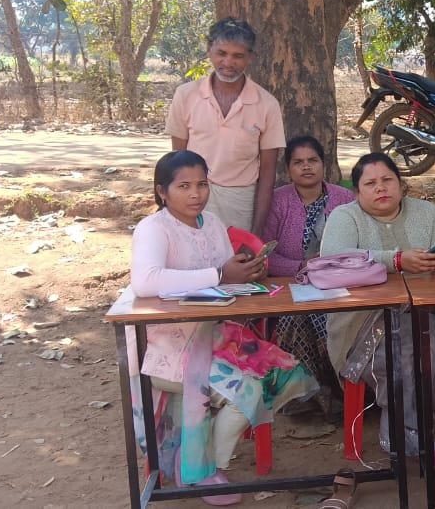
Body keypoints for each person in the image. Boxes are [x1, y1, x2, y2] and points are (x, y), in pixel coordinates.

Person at [128, 150, 317, 506]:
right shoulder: (153, 228)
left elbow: (224, 280)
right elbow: (145, 281)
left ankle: (199, 462)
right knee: (248, 389)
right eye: (184, 186)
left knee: (279, 372)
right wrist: (219, 274)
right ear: (161, 191)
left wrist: (247, 272)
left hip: (215, 335)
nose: (196, 194)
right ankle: (203, 471)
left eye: (202, 184)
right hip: (167, 347)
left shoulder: (211, 222)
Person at [319, 153, 435, 456]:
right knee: (408, 349)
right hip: (366, 321)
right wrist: (395, 260)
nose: (380, 188)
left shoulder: (424, 211)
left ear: (400, 184)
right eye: (370, 183)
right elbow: (334, 259)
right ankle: (405, 433)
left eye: (387, 180)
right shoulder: (345, 216)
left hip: (431, 309)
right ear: (357, 192)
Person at [260, 135, 355, 419]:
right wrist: (301, 266)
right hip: (291, 286)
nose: (306, 167)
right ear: (288, 169)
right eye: (298, 162)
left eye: (313, 160)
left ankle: (344, 390)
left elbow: (358, 246)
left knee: (332, 316)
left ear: (324, 165)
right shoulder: (278, 201)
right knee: (296, 317)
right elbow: (265, 253)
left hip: (339, 283)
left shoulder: (344, 199)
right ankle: (307, 397)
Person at [166, 17, 284, 233]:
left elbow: (267, 178)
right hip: (193, 197)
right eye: (222, 53)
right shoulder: (186, 95)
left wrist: (256, 233)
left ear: (250, 57)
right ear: (209, 50)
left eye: (238, 56)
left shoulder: (267, 104)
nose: (228, 63)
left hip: (240, 202)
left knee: (235, 254)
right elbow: (176, 163)